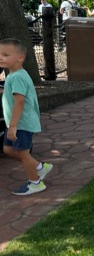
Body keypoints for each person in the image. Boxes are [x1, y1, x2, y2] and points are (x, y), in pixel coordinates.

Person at [0, 39, 52, 195]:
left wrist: (13, 126)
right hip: (14, 123)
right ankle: (40, 167)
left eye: (5, 55)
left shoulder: (17, 77)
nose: (1, 58)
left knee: (23, 153)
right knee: (8, 149)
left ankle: (35, 183)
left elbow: (20, 102)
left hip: (20, 124)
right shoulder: (13, 75)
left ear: (20, 58)